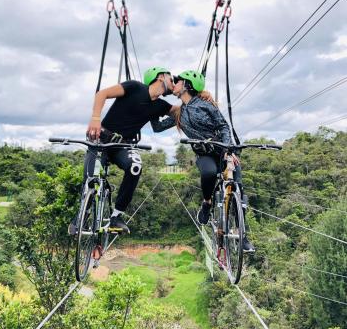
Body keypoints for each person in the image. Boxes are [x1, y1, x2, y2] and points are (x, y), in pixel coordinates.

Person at [151, 70, 255, 253]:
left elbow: (223, 126)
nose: (174, 83)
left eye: (177, 81)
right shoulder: (180, 113)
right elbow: (157, 127)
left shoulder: (206, 105)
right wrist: (150, 106)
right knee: (208, 172)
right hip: (204, 154)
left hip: (223, 150)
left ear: (187, 85)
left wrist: (228, 150)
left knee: (237, 187)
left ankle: (242, 236)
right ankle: (207, 203)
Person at [77, 66, 176, 234]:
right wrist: (95, 119)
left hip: (123, 146)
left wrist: (195, 97)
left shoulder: (161, 105)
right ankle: (83, 214)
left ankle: (116, 217)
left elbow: (181, 112)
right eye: (172, 79)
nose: (174, 83)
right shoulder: (134, 87)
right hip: (101, 142)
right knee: (92, 177)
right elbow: (102, 94)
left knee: (135, 166)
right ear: (160, 77)